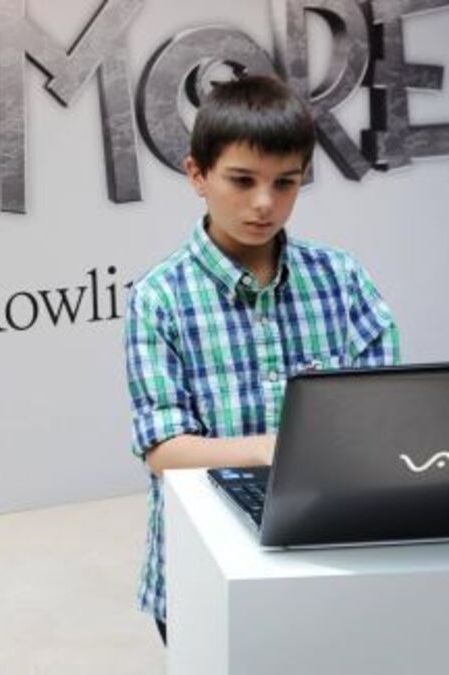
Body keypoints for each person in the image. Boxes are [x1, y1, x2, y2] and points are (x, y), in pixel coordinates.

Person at [124, 75, 400, 644]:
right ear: (197, 174)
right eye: (242, 180)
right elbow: (165, 450)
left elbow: (386, 417)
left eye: (285, 183)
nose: (264, 203)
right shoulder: (159, 298)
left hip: (330, 549)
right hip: (203, 566)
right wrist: (276, 450)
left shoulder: (342, 279)